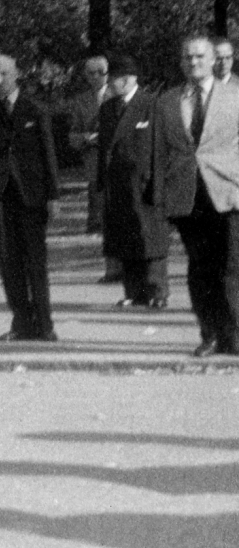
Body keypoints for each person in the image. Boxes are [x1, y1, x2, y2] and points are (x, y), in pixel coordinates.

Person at [153, 34, 239, 357]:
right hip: (187, 195)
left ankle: (234, 333)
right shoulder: (167, 102)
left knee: (231, 264)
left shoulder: (235, 96)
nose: (194, 62)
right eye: (188, 57)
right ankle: (210, 334)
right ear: (181, 62)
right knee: (199, 267)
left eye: (200, 56)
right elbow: (159, 154)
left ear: (213, 60)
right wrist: (161, 197)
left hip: (229, 190)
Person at [0, 50, 60, 342]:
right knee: (9, 263)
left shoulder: (34, 108)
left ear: (17, 75)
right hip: (1, 196)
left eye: (4, 75)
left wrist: (53, 195)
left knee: (35, 261)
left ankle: (45, 325)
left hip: (31, 196)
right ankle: (21, 321)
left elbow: (48, 154)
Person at [96, 53, 169, 310]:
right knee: (125, 237)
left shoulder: (151, 104)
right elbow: (104, 150)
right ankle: (134, 291)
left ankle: (157, 291)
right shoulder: (107, 109)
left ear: (126, 80)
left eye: (112, 79)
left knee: (151, 238)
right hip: (118, 185)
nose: (108, 85)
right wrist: (100, 184)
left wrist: (158, 186)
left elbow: (160, 149)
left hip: (144, 183)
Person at [67, 54, 122, 283]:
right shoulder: (80, 101)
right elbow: (72, 135)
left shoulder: (119, 94)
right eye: (91, 73)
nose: (96, 77)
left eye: (101, 72)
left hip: (118, 159)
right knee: (100, 203)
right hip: (93, 159)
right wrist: (85, 138)